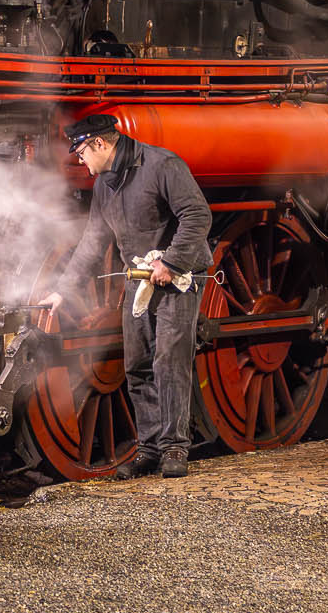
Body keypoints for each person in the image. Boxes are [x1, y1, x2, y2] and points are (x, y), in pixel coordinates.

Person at [34, 112, 214, 479]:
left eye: (82, 154)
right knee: (138, 364)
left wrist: (174, 261)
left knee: (169, 361)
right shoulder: (105, 184)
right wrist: (63, 292)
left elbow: (197, 215)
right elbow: (93, 241)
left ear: (100, 144)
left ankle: (175, 447)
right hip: (139, 278)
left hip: (178, 278)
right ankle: (148, 448)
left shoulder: (163, 164)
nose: (82, 164)